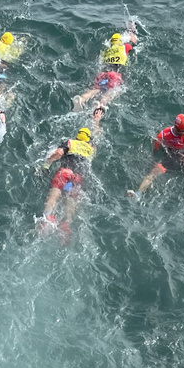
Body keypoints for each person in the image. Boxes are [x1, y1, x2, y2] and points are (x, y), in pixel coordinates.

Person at [38, 106, 104, 236]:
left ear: (77, 136)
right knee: (71, 201)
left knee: (54, 195)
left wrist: (46, 164)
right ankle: (66, 223)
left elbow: (58, 153)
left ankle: (47, 218)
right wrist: (96, 121)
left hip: (65, 172)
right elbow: (96, 137)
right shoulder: (91, 149)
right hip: (78, 177)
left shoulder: (71, 142)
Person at [128, 114, 184, 198]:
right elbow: (155, 152)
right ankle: (138, 193)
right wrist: (153, 162)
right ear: (175, 127)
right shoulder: (163, 135)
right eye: (180, 131)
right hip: (170, 160)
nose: (183, 133)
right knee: (153, 173)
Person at [73, 27, 138, 109]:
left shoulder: (106, 51)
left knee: (96, 89)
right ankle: (100, 105)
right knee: (111, 92)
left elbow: (99, 62)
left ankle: (82, 99)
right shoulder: (124, 47)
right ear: (120, 42)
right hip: (114, 74)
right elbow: (133, 41)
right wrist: (131, 31)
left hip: (102, 74)